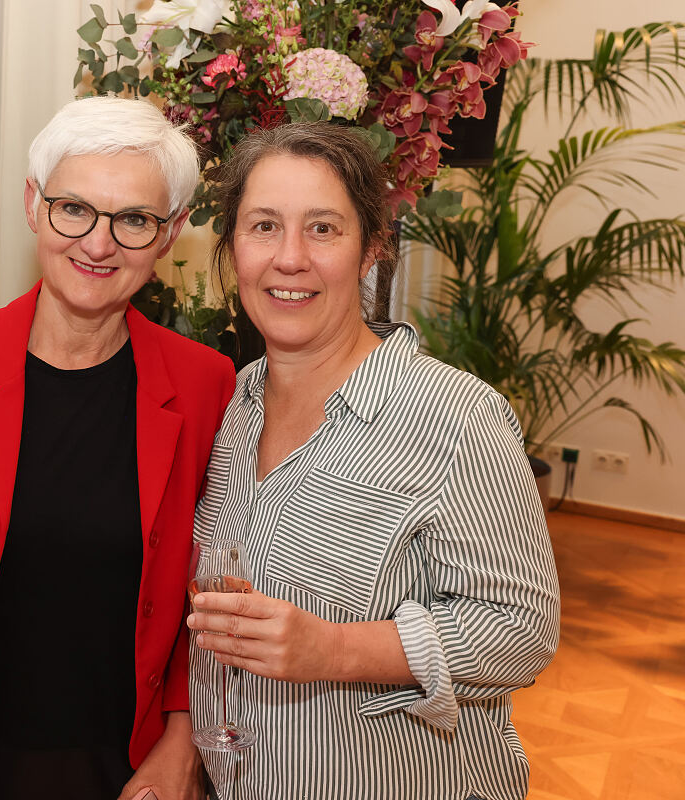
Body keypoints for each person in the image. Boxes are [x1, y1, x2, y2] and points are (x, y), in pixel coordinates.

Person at [185, 122, 560, 800]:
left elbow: (522, 631)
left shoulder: (455, 417)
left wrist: (333, 650)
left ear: (371, 251)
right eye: (264, 226)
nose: (290, 258)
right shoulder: (231, 404)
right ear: (233, 247)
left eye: (323, 229)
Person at [0, 95, 236, 800]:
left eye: (133, 220)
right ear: (33, 205)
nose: (98, 243)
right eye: (73, 208)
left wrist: (180, 737)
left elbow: (209, 589)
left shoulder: (205, 384)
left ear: (169, 235)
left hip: (125, 764)